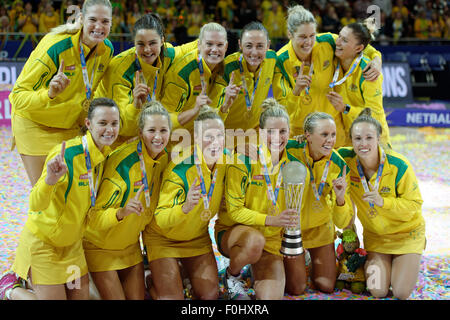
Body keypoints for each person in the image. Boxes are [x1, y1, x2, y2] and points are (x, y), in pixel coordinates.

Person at [1, 98, 120, 300]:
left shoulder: (106, 157)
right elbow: (36, 204)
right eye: (103, 123)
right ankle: (10, 290)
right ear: (88, 124)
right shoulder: (67, 155)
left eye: (114, 124)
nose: (109, 129)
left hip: (73, 248)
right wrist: (49, 180)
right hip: (44, 247)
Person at [216, 99, 329, 300]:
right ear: (260, 132)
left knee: (289, 290)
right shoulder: (243, 159)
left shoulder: (293, 165)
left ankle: (253, 268)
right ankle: (232, 275)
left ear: (289, 132)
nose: (277, 137)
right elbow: (234, 211)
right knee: (254, 241)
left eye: (283, 131)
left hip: (271, 240)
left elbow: (313, 145)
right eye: (270, 132)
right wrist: (271, 220)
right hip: (236, 232)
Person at [9, 0, 114, 187]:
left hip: (68, 126)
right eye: (93, 20)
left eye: (105, 21)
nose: (99, 27)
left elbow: (89, 92)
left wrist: (86, 122)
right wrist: (48, 94)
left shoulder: (107, 50)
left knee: (70, 191)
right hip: (34, 124)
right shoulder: (55, 45)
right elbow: (17, 96)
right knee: (47, 191)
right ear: (81, 18)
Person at [82, 101, 171, 300]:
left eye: (163, 130)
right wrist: (120, 212)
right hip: (100, 247)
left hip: (130, 248)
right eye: (151, 130)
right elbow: (93, 218)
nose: (158, 137)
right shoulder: (122, 165)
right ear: (140, 132)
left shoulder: (163, 159)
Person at [144, 105, 230, 300]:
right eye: (208, 136)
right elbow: (161, 218)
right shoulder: (179, 167)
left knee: (209, 296)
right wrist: (185, 208)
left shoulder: (227, 161)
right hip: (163, 238)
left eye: (219, 136)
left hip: (196, 238)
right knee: (172, 298)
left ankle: (181, 273)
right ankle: (153, 280)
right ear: (197, 139)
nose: (215, 142)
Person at [338, 108, 425, 300]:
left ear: (378, 138)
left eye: (369, 138)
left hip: (407, 235)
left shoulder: (399, 165)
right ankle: (374, 263)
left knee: (401, 293)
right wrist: (301, 140)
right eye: (357, 138)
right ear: (351, 140)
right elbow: (321, 151)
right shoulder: (345, 159)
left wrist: (383, 202)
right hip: (377, 239)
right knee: (378, 291)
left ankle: (408, 261)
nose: (363, 144)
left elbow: (414, 206)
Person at [275, 5, 382, 148]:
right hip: (301, 134)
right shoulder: (280, 61)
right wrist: (296, 91)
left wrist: (376, 58)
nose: (308, 42)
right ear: (289, 34)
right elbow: (282, 110)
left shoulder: (327, 41)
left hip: (334, 132)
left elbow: (359, 44)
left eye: (312, 35)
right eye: (302, 37)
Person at [95, 13, 196, 148]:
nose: (147, 50)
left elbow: (187, 49)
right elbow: (121, 124)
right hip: (114, 138)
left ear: (162, 41)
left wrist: (211, 40)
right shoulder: (119, 68)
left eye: (153, 43)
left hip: (144, 134)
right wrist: (136, 105)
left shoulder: (168, 54)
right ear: (134, 43)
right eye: (141, 44)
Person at [294, 111, 353, 293]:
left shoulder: (340, 165)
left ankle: (307, 260)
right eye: (324, 134)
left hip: (321, 230)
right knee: (296, 287)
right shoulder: (289, 151)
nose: (330, 140)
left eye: (333, 135)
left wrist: (341, 198)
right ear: (307, 135)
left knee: (326, 286)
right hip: (291, 230)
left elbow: (343, 222)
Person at [326, 20, 391, 148]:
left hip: (372, 141)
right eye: (339, 36)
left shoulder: (369, 72)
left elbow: (375, 117)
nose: (337, 42)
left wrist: (346, 109)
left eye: (344, 40)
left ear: (359, 48)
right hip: (345, 140)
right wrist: (377, 56)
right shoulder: (334, 59)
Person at [160, 22, 229, 138]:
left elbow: (213, 117)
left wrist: (225, 106)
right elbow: (164, 119)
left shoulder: (224, 72)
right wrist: (194, 110)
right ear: (199, 45)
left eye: (220, 45)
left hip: (200, 141)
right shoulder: (182, 73)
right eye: (209, 44)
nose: (215, 50)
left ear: (226, 47)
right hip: (173, 143)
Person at [219, 21, 287, 132]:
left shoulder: (272, 60)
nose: (254, 53)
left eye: (260, 46)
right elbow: (210, 112)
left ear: (268, 45)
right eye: (249, 46)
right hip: (227, 136)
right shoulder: (226, 68)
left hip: (254, 135)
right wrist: (224, 103)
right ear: (240, 44)